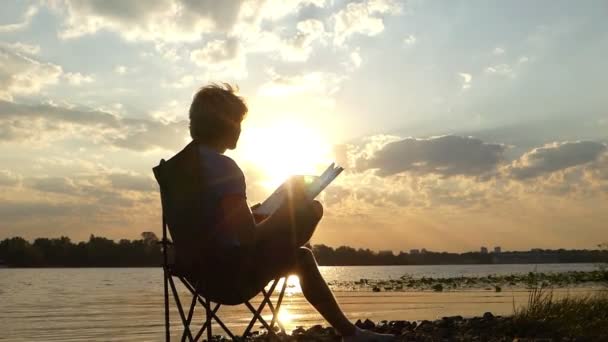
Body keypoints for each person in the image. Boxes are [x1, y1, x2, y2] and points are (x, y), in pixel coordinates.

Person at [186, 83, 394, 341]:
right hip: (229, 279)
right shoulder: (224, 168)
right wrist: (282, 215)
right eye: (238, 122)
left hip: (196, 275)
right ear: (225, 124)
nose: (240, 129)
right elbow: (248, 237)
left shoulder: (177, 168)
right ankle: (351, 334)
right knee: (304, 241)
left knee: (298, 228)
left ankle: (351, 332)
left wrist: (252, 214)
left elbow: (208, 223)